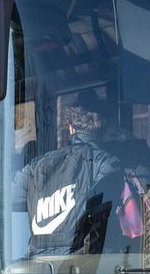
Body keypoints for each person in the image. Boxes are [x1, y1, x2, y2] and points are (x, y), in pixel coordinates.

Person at [12, 93, 125, 256]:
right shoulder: (107, 164)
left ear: (71, 128)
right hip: (85, 267)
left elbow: (6, 196)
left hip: (38, 270)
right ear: (104, 129)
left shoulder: (36, 166)